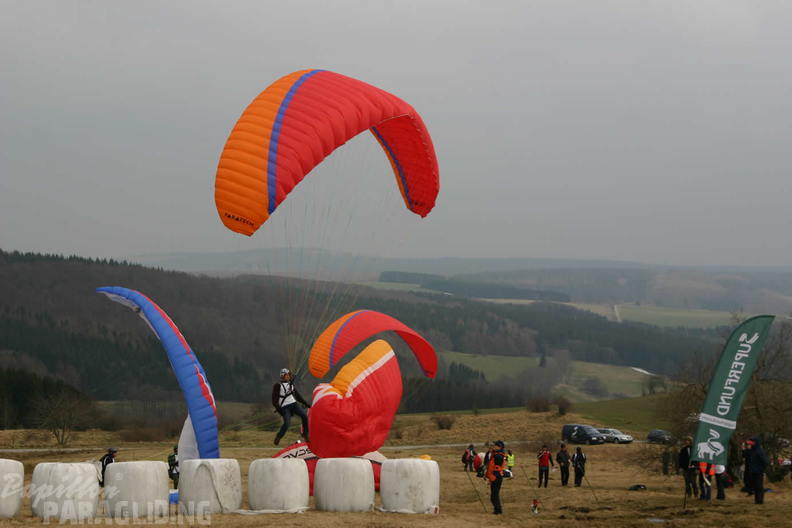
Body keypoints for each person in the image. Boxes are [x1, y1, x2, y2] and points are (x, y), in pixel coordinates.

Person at [271, 368, 311, 445]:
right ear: (282, 376)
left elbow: (298, 396)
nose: (289, 376)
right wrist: (280, 411)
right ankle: (279, 436)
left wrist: (306, 403)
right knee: (287, 423)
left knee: (304, 416)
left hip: (294, 404)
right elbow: (274, 401)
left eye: (289, 375)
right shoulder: (278, 385)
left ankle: (305, 434)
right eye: (287, 375)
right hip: (285, 407)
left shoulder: (291, 385)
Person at [486, 440, 507, 515]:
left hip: (496, 476)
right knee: (494, 495)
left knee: (494, 495)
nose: (494, 446)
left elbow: (496, 467)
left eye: (495, 445)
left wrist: (491, 478)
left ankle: (498, 510)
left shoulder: (499, 456)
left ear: (500, 447)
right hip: (495, 476)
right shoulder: (496, 454)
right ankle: (497, 509)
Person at [746, 437, 768, 504]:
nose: (750, 444)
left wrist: (762, 469)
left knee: (759, 486)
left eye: (751, 443)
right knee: (755, 486)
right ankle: (757, 500)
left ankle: (760, 500)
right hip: (753, 471)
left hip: (758, 471)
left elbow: (765, 461)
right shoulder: (752, 451)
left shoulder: (759, 451)